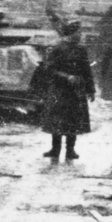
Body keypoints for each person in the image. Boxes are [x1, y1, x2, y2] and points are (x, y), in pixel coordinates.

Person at [33, 21, 94, 160]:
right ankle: (55, 149)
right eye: (78, 32)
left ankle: (70, 150)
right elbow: (49, 69)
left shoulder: (81, 49)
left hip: (76, 89)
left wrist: (91, 90)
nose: (80, 35)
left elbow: (86, 70)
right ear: (71, 33)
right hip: (59, 89)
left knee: (73, 119)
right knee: (57, 120)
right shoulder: (57, 48)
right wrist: (66, 76)